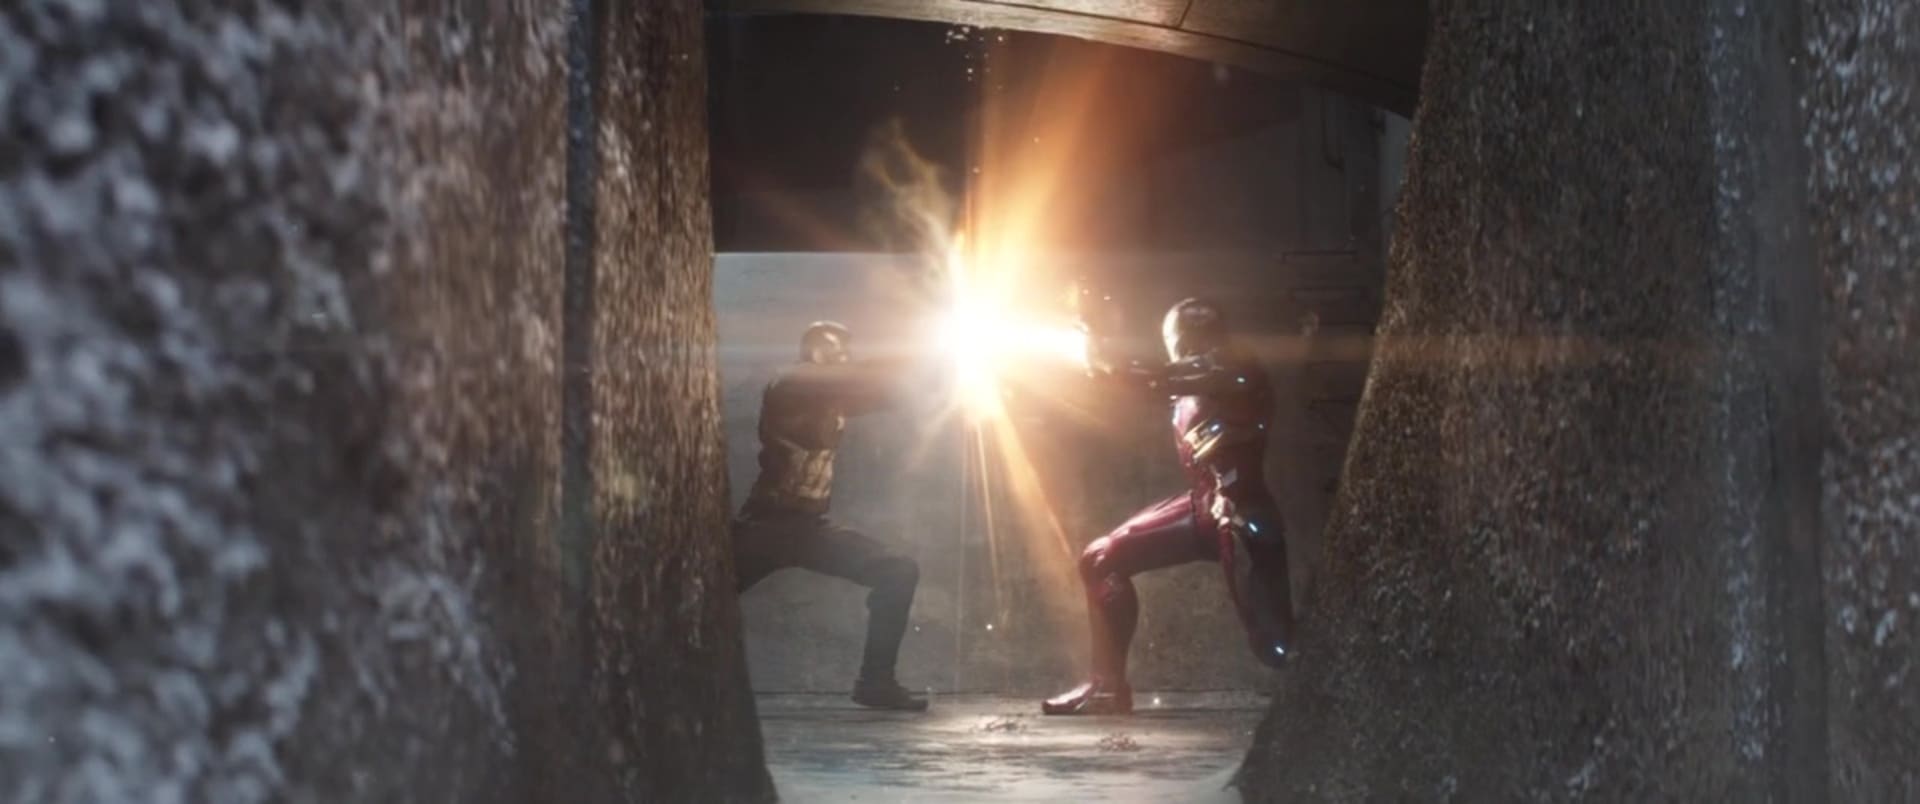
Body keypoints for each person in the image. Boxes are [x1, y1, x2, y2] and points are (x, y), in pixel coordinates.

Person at [1043, 297, 1295, 715]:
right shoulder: (1186, 383)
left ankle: (1322, 691)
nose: (1194, 345)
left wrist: (1104, 358)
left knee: (1276, 644)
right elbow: (1147, 381)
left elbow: (1170, 375)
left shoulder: (1234, 366)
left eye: (1201, 334)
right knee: (1101, 558)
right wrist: (1096, 358)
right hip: (1205, 505)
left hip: (1241, 512)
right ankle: (1106, 687)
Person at [733, 320, 930, 711]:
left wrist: (926, 366)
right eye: (830, 346)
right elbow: (853, 378)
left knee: (898, 571)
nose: (839, 354)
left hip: (807, 529)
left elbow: (883, 392)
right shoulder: (789, 384)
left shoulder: (834, 398)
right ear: (810, 350)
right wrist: (917, 346)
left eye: (842, 349)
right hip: (765, 526)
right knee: (694, 597)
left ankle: (876, 682)